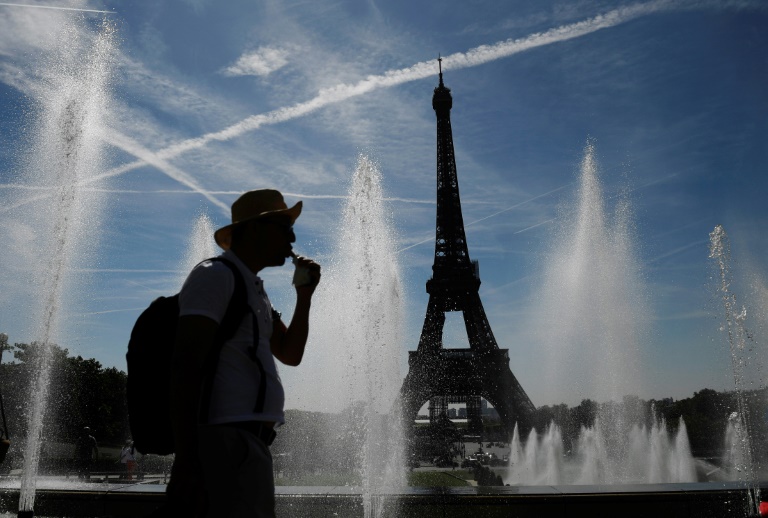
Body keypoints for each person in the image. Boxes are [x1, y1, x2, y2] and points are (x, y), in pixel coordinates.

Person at [168, 189, 321, 518]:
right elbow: (185, 366)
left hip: (248, 441)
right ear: (255, 229)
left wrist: (304, 296)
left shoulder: (254, 289)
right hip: (226, 439)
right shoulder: (214, 276)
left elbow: (290, 354)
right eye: (284, 226)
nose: (292, 236)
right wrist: (187, 460)